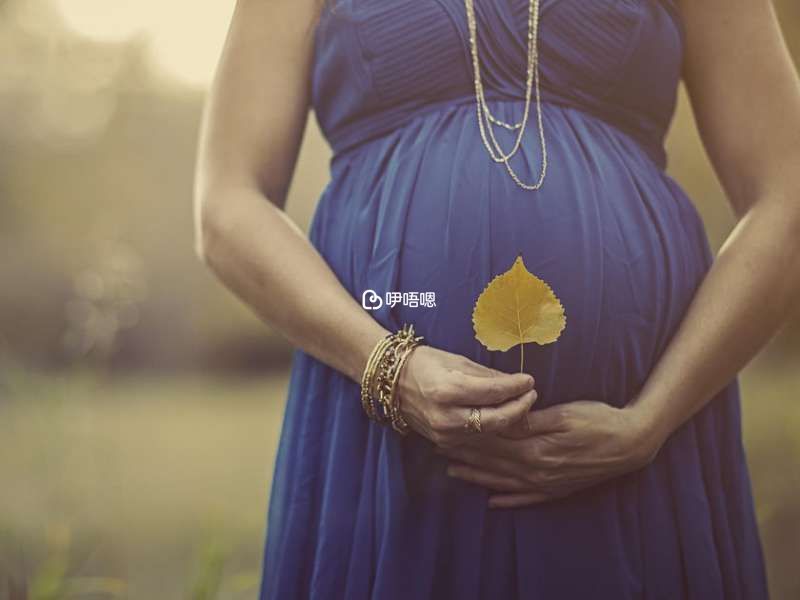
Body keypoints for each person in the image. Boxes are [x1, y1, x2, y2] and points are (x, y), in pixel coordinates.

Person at [193, 0, 800, 597]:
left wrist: (651, 421)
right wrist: (387, 365)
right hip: (387, 432)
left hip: (639, 445)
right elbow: (228, 206)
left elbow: (787, 197)